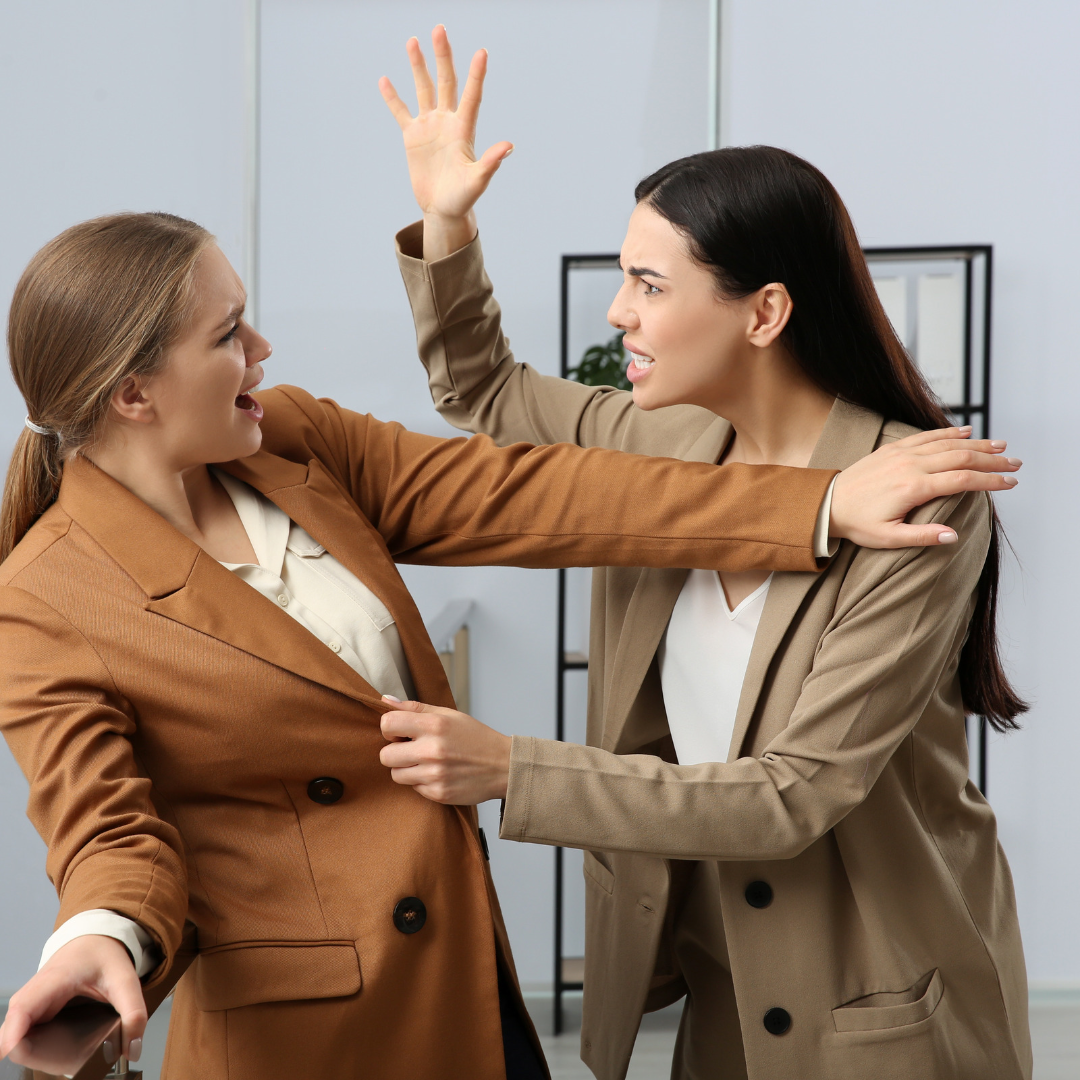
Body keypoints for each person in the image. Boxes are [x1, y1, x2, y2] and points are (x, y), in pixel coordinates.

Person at [0, 209, 1014, 1080]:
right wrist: (99, 932)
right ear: (133, 394)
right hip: (310, 1028)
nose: (261, 349)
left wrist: (822, 500)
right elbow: (105, 826)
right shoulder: (45, 595)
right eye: (229, 335)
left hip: (461, 969)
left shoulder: (288, 441)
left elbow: (532, 492)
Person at [378, 28, 1032, 1080]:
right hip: (719, 1003)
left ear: (764, 312)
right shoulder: (665, 445)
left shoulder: (918, 497)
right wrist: (448, 225)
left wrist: (508, 768)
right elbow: (488, 395)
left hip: (877, 1008)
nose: (617, 311)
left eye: (648, 283)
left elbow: (790, 796)